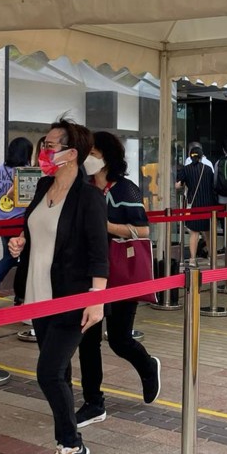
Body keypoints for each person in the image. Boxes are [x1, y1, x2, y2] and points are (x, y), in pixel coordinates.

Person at [9, 118, 108, 454]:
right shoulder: (43, 186)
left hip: (71, 298)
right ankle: (64, 446)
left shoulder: (88, 197)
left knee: (48, 373)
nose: (44, 152)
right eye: (44, 145)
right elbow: (35, 228)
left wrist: (97, 299)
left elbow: (99, 252)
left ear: (72, 152)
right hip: (38, 296)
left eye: (51, 146)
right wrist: (21, 242)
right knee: (60, 374)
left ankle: (73, 445)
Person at [76, 132, 162, 428]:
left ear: (108, 156)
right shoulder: (84, 186)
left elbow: (144, 230)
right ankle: (93, 402)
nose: (89, 158)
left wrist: (107, 226)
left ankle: (147, 366)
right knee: (88, 340)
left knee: (119, 339)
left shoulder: (126, 189)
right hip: (89, 272)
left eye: (94, 152)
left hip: (120, 273)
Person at [0, 137, 33, 300]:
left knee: (11, 256)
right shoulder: (26, 172)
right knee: (18, 258)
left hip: (2, 220)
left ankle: (13, 292)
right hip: (20, 221)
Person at [176, 142, 216, 264]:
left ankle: (192, 259)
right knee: (208, 232)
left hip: (194, 204)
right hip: (207, 204)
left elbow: (178, 185)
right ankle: (211, 258)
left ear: (190, 156)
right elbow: (213, 185)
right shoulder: (208, 169)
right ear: (201, 156)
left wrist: (183, 185)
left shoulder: (186, 169)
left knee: (194, 233)